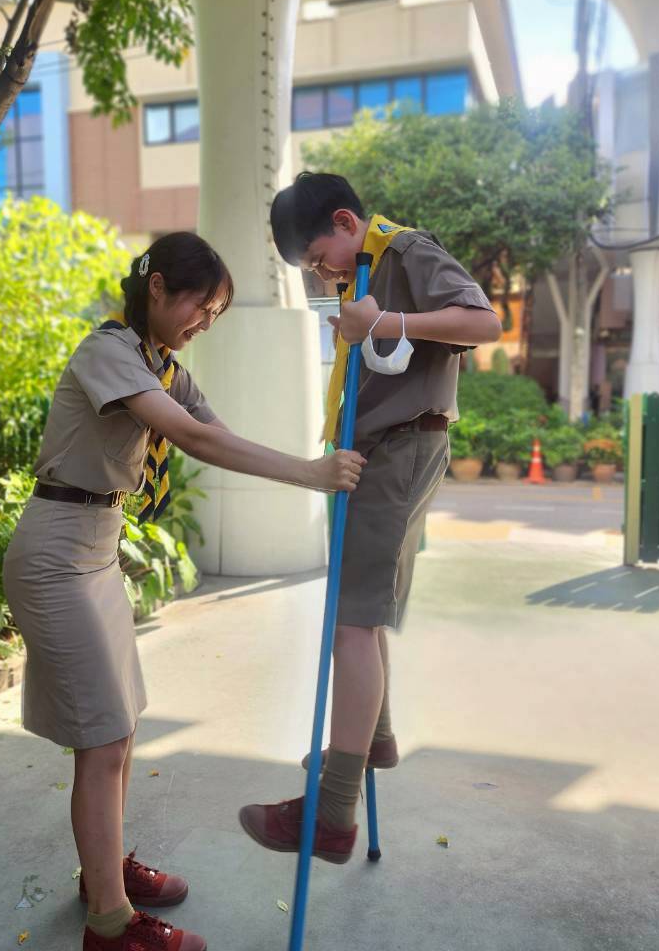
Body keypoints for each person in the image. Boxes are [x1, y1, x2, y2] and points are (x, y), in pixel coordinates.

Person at [2, 231, 365, 951]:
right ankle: (110, 927)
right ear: (159, 287)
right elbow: (193, 441)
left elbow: (218, 434)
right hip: (55, 554)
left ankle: (103, 875)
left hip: (97, 552)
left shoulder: (160, 366)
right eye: (202, 306)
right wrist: (310, 475)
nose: (205, 323)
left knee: (120, 728)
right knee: (103, 738)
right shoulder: (109, 350)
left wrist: (309, 460)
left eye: (217, 314)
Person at [238, 172, 502, 862]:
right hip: (378, 451)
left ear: (344, 222)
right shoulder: (364, 268)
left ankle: (332, 814)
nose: (321, 274)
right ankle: (372, 737)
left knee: (352, 624)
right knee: (361, 610)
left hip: (400, 447)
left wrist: (383, 322)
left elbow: (484, 322)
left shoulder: (405, 251)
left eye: (317, 258)